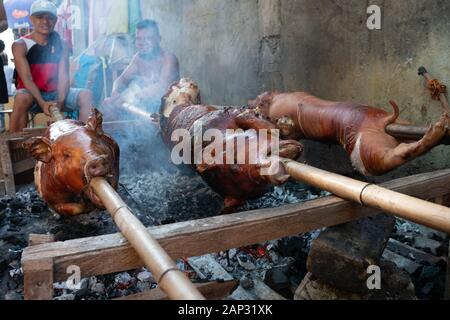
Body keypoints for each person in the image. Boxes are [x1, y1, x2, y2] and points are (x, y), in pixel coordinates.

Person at [9, 0, 94, 133]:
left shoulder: (62, 44)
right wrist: (42, 103)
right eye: (40, 17)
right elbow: (27, 79)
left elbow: (63, 76)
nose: (45, 21)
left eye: (49, 18)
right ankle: (14, 142)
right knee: (21, 97)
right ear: (31, 19)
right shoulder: (20, 45)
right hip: (32, 95)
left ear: (55, 21)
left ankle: (83, 137)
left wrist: (60, 101)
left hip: (56, 93)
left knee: (86, 95)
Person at [102, 19, 180, 119]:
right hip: (146, 112)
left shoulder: (168, 58)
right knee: (109, 108)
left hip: (169, 115)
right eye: (139, 39)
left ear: (158, 39)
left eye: (147, 38)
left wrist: (129, 98)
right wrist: (115, 93)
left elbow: (162, 87)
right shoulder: (138, 58)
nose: (142, 43)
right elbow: (122, 79)